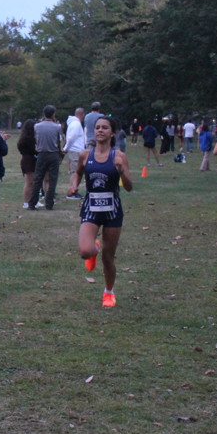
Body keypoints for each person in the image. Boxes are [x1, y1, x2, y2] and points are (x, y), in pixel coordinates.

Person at [67, 116, 134, 308]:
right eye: (97, 127)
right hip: (91, 208)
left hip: (113, 211)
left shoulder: (119, 156)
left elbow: (129, 187)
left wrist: (121, 172)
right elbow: (78, 173)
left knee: (108, 257)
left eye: (105, 127)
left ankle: (108, 292)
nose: (100, 130)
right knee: (85, 252)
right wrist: (74, 185)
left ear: (112, 133)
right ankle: (94, 249)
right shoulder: (85, 155)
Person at [27, 105, 63, 211]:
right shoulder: (57, 127)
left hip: (42, 154)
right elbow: (58, 141)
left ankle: (32, 203)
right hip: (53, 154)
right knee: (52, 180)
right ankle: (49, 203)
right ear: (53, 114)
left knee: (38, 179)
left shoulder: (37, 126)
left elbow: (36, 138)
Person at [64, 108, 86, 200]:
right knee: (75, 172)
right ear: (82, 114)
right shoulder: (76, 124)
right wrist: (65, 148)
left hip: (77, 150)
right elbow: (70, 138)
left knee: (78, 172)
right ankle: (72, 192)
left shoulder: (74, 123)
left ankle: (74, 190)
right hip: (75, 151)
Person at [16, 119, 37, 209]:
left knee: (32, 182)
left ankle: (32, 200)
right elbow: (34, 150)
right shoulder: (28, 139)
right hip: (29, 161)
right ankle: (26, 202)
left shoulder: (23, 138)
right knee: (29, 182)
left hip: (27, 160)